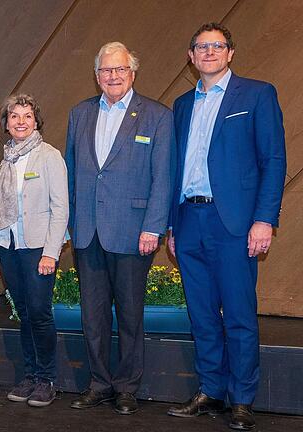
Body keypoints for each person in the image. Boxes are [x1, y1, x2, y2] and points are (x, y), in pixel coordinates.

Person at [166, 23, 286, 431]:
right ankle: (211, 391)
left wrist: (264, 219)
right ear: (191, 56)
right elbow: (173, 169)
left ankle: (242, 398)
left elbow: (273, 161)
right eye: (202, 46)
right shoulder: (182, 104)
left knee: (238, 314)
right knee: (201, 316)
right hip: (188, 220)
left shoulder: (257, 94)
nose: (210, 52)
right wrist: (171, 226)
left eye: (218, 46)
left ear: (230, 53)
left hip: (234, 223)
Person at [65, 42, 174, 415]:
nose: (113, 76)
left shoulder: (157, 116)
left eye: (120, 70)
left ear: (133, 73)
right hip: (87, 232)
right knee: (92, 316)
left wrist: (154, 227)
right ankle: (99, 383)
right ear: (96, 75)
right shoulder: (79, 114)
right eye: (106, 70)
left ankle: (127, 386)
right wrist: (69, 224)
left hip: (132, 231)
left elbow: (163, 178)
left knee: (129, 315)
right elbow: (73, 175)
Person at [0, 94, 68, 407]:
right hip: (8, 247)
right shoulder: (5, 159)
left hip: (37, 249)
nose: (20, 122)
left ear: (37, 122)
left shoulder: (49, 156)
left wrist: (51, 253)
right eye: (14, 116)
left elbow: (60, 208)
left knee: (40, 313)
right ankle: (30, 375)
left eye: (27, 116)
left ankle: (47, 379)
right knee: (23, 314)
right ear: (6, 124)